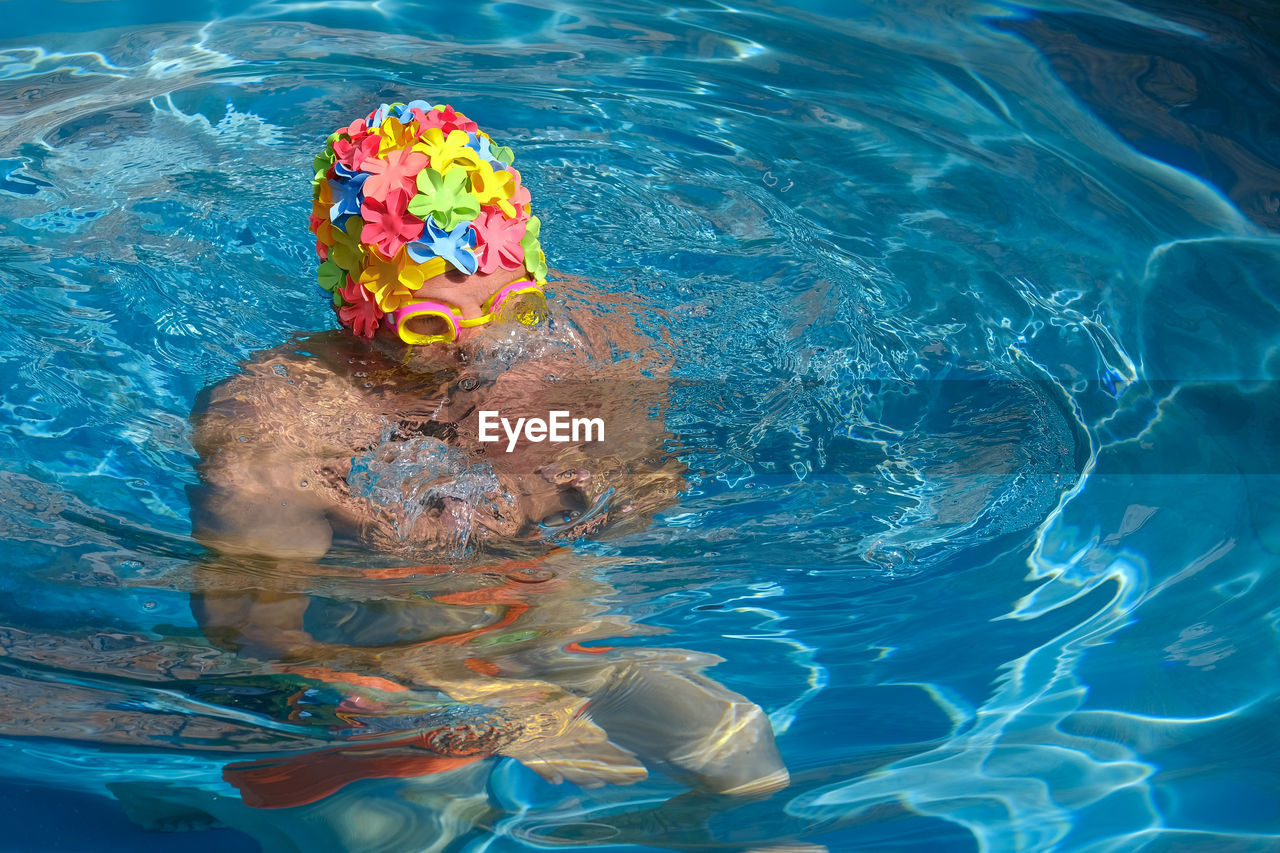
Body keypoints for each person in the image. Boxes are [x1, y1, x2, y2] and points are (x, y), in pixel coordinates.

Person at [181, 102, 788, 819]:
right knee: (404, 822)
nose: (482, 346)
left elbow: (645, 490)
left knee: (744, 762)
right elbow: (255, 631)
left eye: (510, 304)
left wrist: (585, 521)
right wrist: (496, 705)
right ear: (361, 311)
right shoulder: (282, 418)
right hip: (377, 628)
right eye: (432, 324)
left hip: (543, 600)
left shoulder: (594, 340)